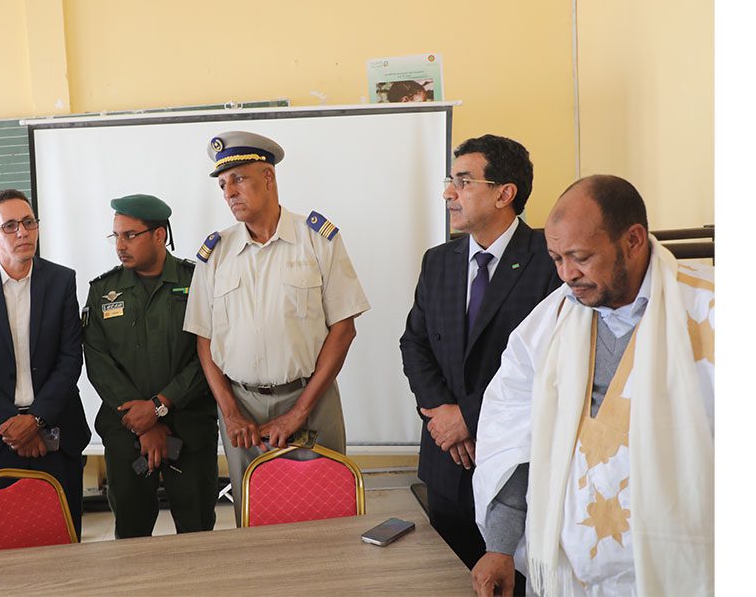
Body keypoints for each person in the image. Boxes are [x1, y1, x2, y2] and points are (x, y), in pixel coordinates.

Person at [471, 176, 714, 597]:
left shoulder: (708, 313)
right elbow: (512, 436)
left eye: (580, 257)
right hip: (570, 577)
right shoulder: (550, 321)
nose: (567, 274)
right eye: (556, 258)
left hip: (678, 573)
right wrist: (500, 544)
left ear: (633, 240)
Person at [183, 130, 371, 522]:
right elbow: (204, 340)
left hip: (311, 400)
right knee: (255, 517)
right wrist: (230, 412)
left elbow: (344, 329)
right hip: (242, 410)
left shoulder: (316, 239)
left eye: (238, 179)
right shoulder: (215, 253)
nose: (229, 192)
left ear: (268, 177)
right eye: (223, 184)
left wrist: (299, 411)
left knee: (323, 512)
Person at [398, 135, 561, 570]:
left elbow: (551, 365)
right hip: (446, 461)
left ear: (504, 193)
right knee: (450, 577)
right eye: (450, 181)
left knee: (515, 579)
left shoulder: (550, 262)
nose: (449, 194)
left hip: (516, 464)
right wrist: (441, 414)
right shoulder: (438, 261)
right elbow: (414, 343)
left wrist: (467, 418)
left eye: (464, 182)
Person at [0, 188, 89, 537]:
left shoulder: (61, 280)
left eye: (29, 223)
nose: (23, 232)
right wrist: (10, 423)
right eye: (10, 226)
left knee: (62, 542)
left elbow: (71, 358)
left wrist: (36, 420)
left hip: (55, 434)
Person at [83, 194, 219, 538]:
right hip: (126, 429)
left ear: (159, 235)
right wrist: (143, 423)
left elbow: (209, 354)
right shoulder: (103, 291)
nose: (120, 246)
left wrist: (159, 406)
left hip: (189, 426)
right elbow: (98, 361)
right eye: (116, 236)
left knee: (197, 533)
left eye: (130, 235)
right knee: (131, 534)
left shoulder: (197, 281)